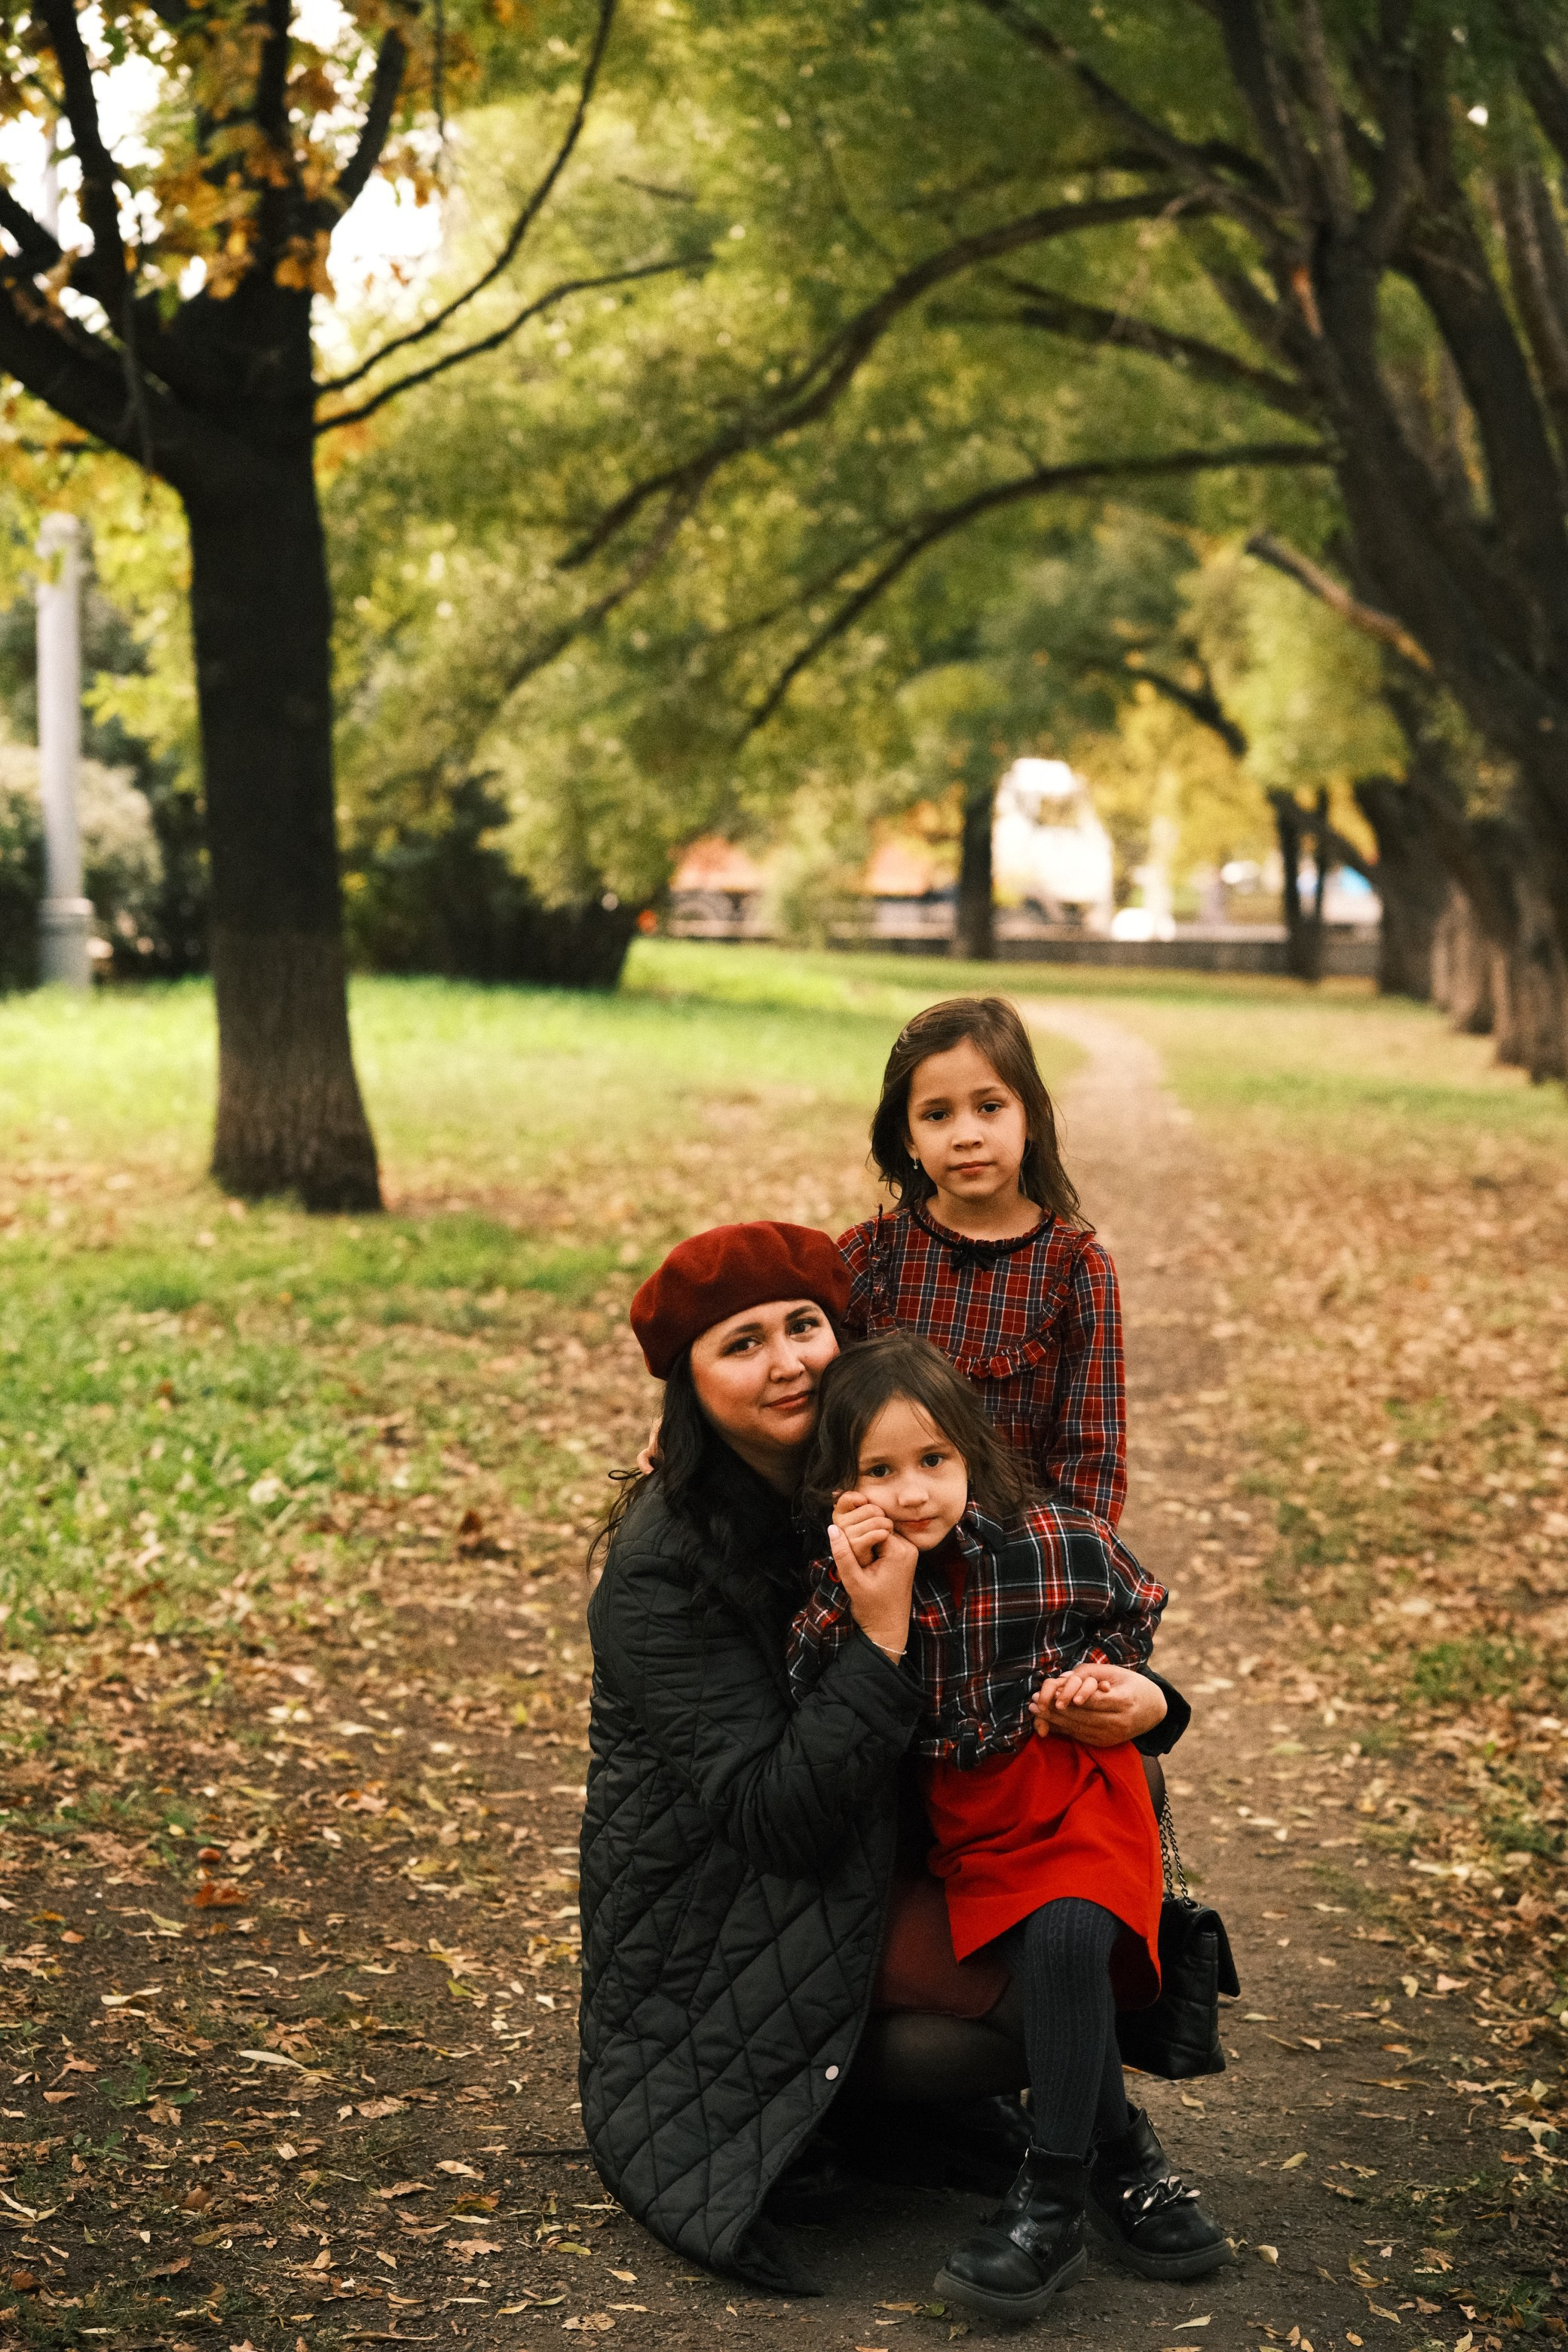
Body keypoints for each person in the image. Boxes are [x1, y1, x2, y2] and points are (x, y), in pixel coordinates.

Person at [580, 1220, 1212, 2298]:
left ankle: (1076, 2161)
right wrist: (877, 1636)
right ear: (687, 1383)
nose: (786, 1362)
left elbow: (1036, 1631)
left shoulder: (876, 1472)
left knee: (1106, 1804)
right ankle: (1098, 2156)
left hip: (879, 1832)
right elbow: (776, 1817)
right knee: (1042, 1989)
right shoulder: (664, 1567)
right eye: (741, 1345)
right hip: (727, 1900)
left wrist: (1150, 1704)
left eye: (803, 1327)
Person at [789, 1326, 1226, 2318]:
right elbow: (811, 1689)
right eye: (879, 1471)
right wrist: (865, 1604)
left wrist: (1109, 1682)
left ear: (970, 1453)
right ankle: (1126, 2158)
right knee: (1038, 1970)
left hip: (1077, 1786)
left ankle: (1052, 2205)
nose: (913, 1492)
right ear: (840, 1486)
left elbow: (1135, 1604)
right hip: (975, 1824)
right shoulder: (852, 1576)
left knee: (1068, 1936)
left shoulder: (1049, 1538)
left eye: (932, 1460)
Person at [838, 994, 1125, 1524]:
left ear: (1032, 1117)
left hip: (1028, 1552)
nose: (967, 1136)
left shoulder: (1078, 1268)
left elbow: (1092, 1462)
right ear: (909, 1139)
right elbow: (816, 1423)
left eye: (990, 1107)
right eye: (937, 1115)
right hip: (886, 1540)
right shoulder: (868, 1257)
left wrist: (1057, 1556)